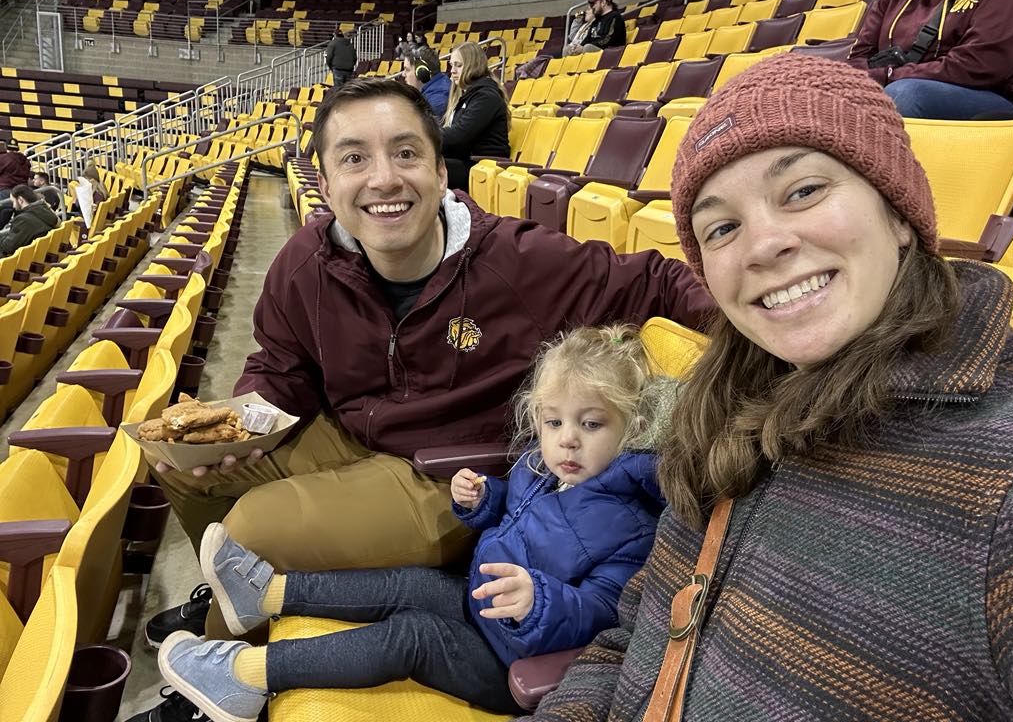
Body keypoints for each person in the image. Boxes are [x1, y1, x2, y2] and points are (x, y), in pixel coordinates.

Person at [134, 78, 716, 720]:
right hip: (351, 432)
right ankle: (231, 603)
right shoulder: (305, 262)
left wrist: (766, 334)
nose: (384, 178)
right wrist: (247, 421)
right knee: (174, 466)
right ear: (324, 183)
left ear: (441, 174)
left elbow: (659, 279)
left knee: (251, 528)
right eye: (355, 158)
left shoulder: (520, 261)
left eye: (406, 153)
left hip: (447, 476)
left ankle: (219, 680)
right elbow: (281, 365)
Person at [526, 53, 1013, 721]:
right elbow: (637, 639)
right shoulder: (723, 409)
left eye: (803, 190)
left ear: (899, 211)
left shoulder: (1006, 478)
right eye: (723, 227)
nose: (762, 245)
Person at [156, 324, 669, 721]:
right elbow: (515, 515)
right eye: (554, 421)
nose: (567, 439)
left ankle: (244, 677)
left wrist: (540, 601)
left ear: (634, 427)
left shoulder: (634, 527)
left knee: (412, 635)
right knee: (407, 583)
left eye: (592, 423)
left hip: (512, 660)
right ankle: (266, 595)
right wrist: (483, 499)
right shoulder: (542, 467)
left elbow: (604, 613)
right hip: (479, 602)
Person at [849, 0, 1013, 120]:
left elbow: (983, 63)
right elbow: (860, 56)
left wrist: (888, 76)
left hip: (991, 97)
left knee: (905, 95)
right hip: (901, 86)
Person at [441, 42, 510, 191]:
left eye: (458, 65)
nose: (452, 71)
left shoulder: (486, 97)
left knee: (424, 167)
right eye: (452, 65)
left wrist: (424, 135)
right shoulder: (468, 95)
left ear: (473, 66)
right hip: (467, 161)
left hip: (482, 167)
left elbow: (458, 136)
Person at [0, 184, 58, 256]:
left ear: (20, 200)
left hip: (24, 258)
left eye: (13, 202)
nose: (13, 206)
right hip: (39, 255)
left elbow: (8, 247)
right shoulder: (45, 210)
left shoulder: (23, 220)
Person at [403, 45, 450, 119]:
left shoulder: (436, 102)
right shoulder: (439, 85)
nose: (403, 74)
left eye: (407, 70)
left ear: (421, 71)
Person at [0, 138, 31, 203]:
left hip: (6, 191)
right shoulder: (25, 159)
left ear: (6, 147)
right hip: (23, 191)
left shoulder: (2, 158)